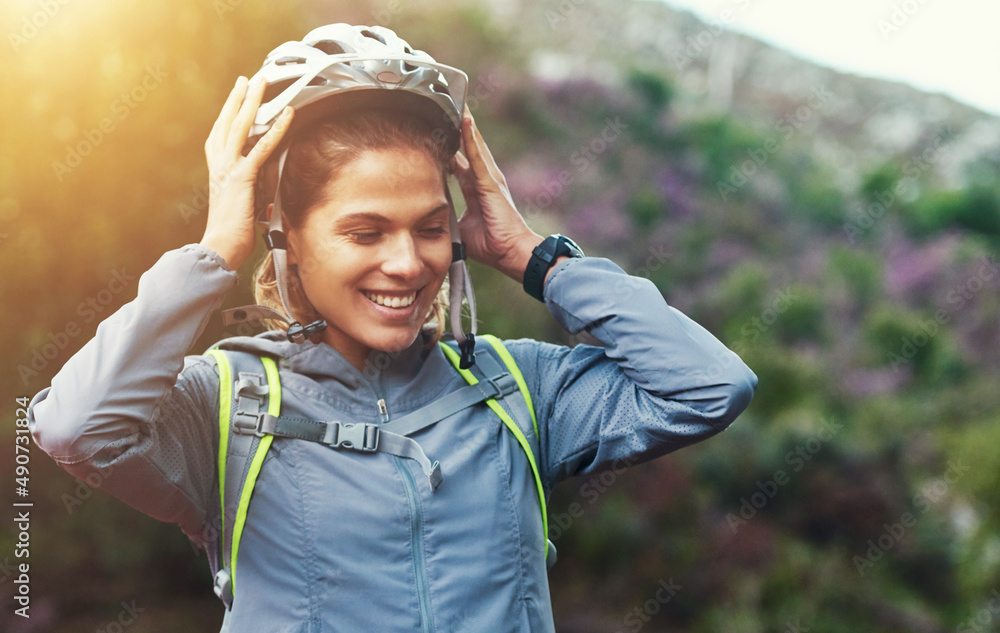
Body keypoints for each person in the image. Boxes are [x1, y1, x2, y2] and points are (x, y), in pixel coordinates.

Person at [28, 24, 757, 632]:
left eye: (431, 228)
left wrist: (535, 257)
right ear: (289, 237)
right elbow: (74, 428)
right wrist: (215, 252)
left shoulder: (518, 388)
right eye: (366, 231)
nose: (407, 263)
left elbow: (709, 386)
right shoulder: (223, 404)